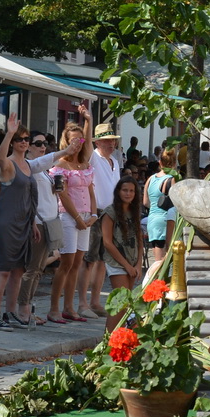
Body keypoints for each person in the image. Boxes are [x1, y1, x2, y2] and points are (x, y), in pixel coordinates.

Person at [0, 121, 39, 330]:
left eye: (26, 139)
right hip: (7, 222)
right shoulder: (9, 163)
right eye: (20, 139)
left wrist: (33, 222)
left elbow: (27, 196)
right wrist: (9, 134)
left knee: (18, 270)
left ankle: (10, 313)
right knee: (4, 269)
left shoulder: (28, 164)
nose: (24, 143)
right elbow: (0, 158)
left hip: (24, 222)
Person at [17, 128, 68, 326]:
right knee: (32, 269)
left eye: (45, 144)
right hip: (38, 223)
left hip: (49, 222)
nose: (42, 147)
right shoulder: (29, 166)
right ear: (28, 146)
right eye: (38, 144)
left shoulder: (44, 170)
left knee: (38, 269)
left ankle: (28, 308)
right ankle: (23, 310)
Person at [47, 125, 97, 323]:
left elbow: (91, 192)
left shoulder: (85, 164)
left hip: (85, 216)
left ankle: (69, 306)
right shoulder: (60, 164)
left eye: (80, 140)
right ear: (66, 142)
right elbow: (63, 194)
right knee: (66, 263)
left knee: (77, 263)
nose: (77, 144)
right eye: (73, 140)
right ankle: (53, 308)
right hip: (69, 216)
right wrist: (78, 218)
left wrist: (93, 214)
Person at [83, 120, 122, 317]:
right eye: (107, 141)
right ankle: (83, 302)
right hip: (96, 212)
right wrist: (88, 120)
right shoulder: (94, 158)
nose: (111, 144)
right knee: (90, 259)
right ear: (98, 142)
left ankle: (95, 301)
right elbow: (86, 143)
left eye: (113, 141)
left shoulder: (115, 161)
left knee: (102, 260)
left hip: (110, 214)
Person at [100, 176, 145, 333]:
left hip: (132, 262)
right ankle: (107, 341)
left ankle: (118, 338)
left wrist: (138, 264)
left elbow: (139, 240)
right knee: (120, 303)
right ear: (118, 191)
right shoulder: (110, 212)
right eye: (125, 190)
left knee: (126, 305)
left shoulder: (134, 212)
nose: (128, 193)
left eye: (132, 191)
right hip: (117, 262)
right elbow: (107, 242)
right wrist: (126, 266)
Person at [143, 148, 179, 266]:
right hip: (166, 221)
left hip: (152, 219)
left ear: (160, 162)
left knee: (158, 261)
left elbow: (145, 202)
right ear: (174, 163)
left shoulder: (151, 179)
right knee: (164, 263)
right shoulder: (171, 179)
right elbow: (175, 203)